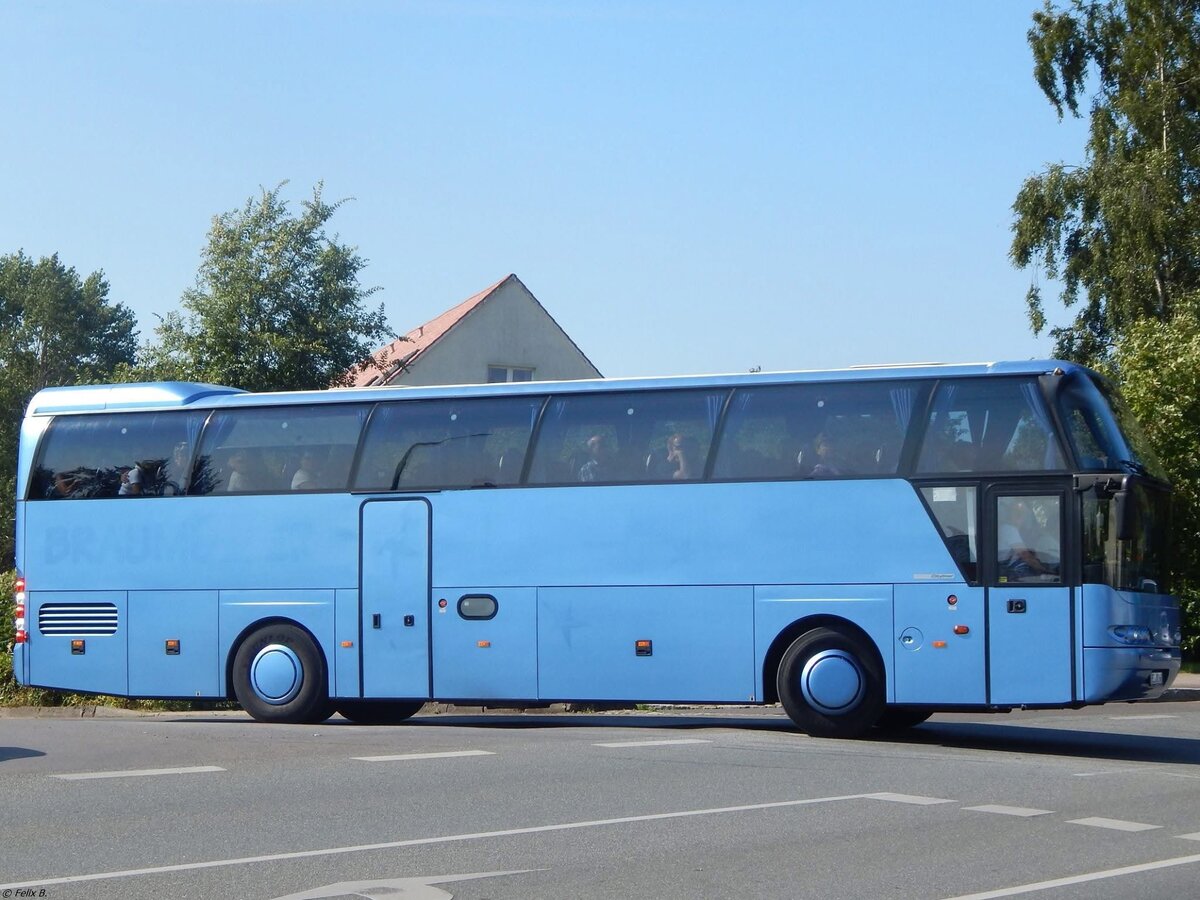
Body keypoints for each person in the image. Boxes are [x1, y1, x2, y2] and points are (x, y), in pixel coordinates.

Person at [998, 500, 1056, 580]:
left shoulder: (1014, 530)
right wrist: (1044, 570)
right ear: (1009, 514)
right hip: (1010, 571)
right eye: (1016, 513)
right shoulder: (1009, 529)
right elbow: (1025, 555)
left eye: (1021, 514)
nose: (1019, 518)